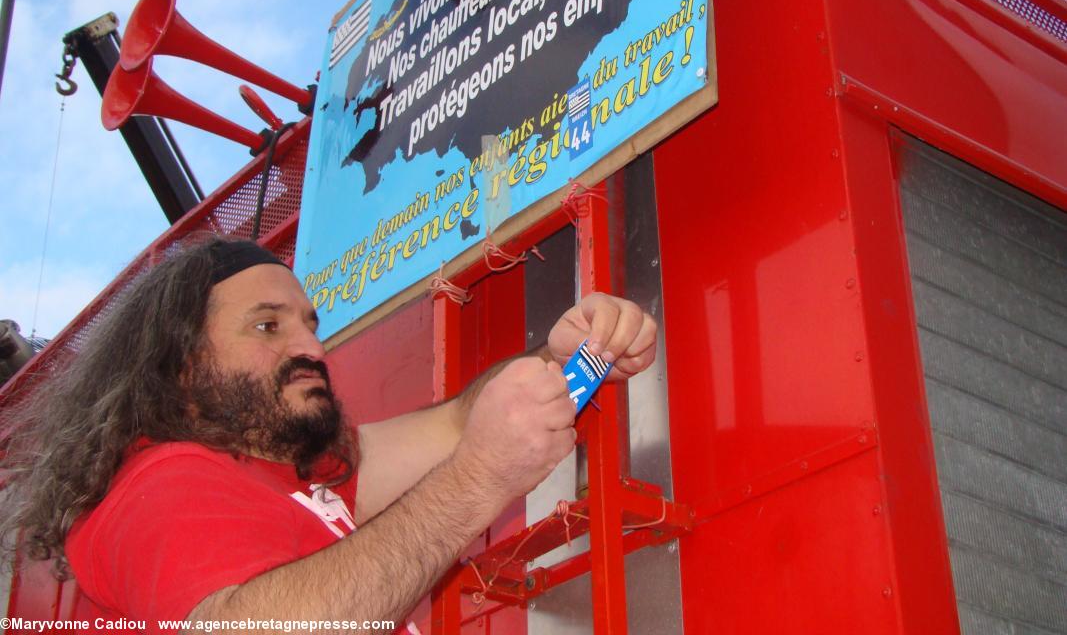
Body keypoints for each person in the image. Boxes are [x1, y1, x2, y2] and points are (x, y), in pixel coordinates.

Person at [0, 237, 656, 630]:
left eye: (309, 323)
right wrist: (476, 484)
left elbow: (458, 424)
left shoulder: (306, 482)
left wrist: (565, 359)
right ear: (180, 360)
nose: (311, 346)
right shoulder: (160, 482)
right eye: (267, 326)